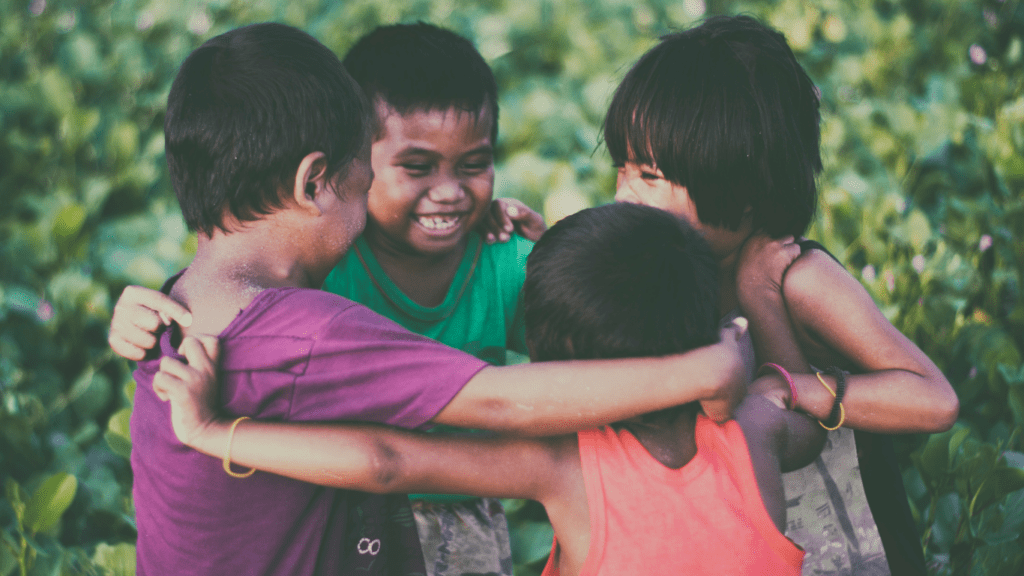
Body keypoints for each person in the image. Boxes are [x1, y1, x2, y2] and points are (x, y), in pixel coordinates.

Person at [128, 21, 751, 576]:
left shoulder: (178, 305)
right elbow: (499, 404)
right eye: (364, 176)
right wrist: (703, 369)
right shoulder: (306, 331)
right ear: (314, 181)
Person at [152, 202, 824, 576]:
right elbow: (800, 409)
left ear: (554, 360)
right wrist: (753, 318)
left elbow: (386, 462)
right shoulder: (757, 429)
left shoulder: (563, 465)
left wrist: (214, 433)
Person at [603, 15, 960, 575]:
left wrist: (794, 384)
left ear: (743, 193)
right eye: (620, 169)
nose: (622, 196)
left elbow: (934, 400)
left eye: (648, 176)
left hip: (842, 547)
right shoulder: (666, 269)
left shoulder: (803, 278)